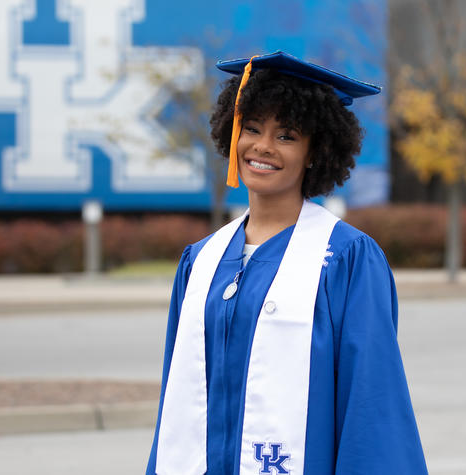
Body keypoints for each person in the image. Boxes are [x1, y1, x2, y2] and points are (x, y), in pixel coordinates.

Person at [146, 51, 427, 475]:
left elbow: (371, 402)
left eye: (287, 136)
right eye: (253, 128)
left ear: (316, 152)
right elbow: (177, 403)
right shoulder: (201, 261)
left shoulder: (345, 260)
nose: (262, 146)